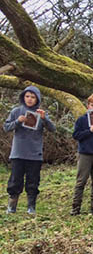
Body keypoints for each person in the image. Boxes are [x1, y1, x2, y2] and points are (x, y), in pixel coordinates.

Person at [3, 86, 56, 214]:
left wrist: (44, 119)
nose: (30, 99)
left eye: (33, 97)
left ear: (37, 99)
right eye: (27, 96)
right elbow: (6, 127)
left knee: (33, 181)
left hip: (35, 153)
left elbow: (53, 129)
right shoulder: (16, 111)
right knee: (15, 180)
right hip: (18, 152)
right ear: (23, 97)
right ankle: (12, 206)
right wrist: (18, 121)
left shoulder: (41, 113)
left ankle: (31, 206)